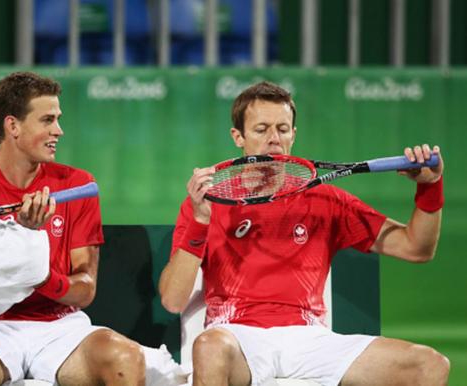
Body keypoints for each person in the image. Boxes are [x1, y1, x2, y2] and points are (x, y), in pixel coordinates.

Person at [158, 81, 450, 386]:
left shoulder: (327, 201)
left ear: (293, 135)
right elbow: (173, 300)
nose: (274, 139)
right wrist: (200, 220)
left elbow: (417, 247)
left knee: (429, 365)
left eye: (283, 129)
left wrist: (429, 186)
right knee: (209, 346)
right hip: (238, 336)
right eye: (261, 129)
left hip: (310, 340)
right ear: (238, 136)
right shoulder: (207, 203)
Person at [0, 71, 147, 386]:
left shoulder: (78, 185)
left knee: (126, 358)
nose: (58, 131)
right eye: (47, 120)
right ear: (13, 126)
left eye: (58, 119)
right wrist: (24, 237)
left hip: (59, 326)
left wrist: (41, 274)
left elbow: (85, 289)